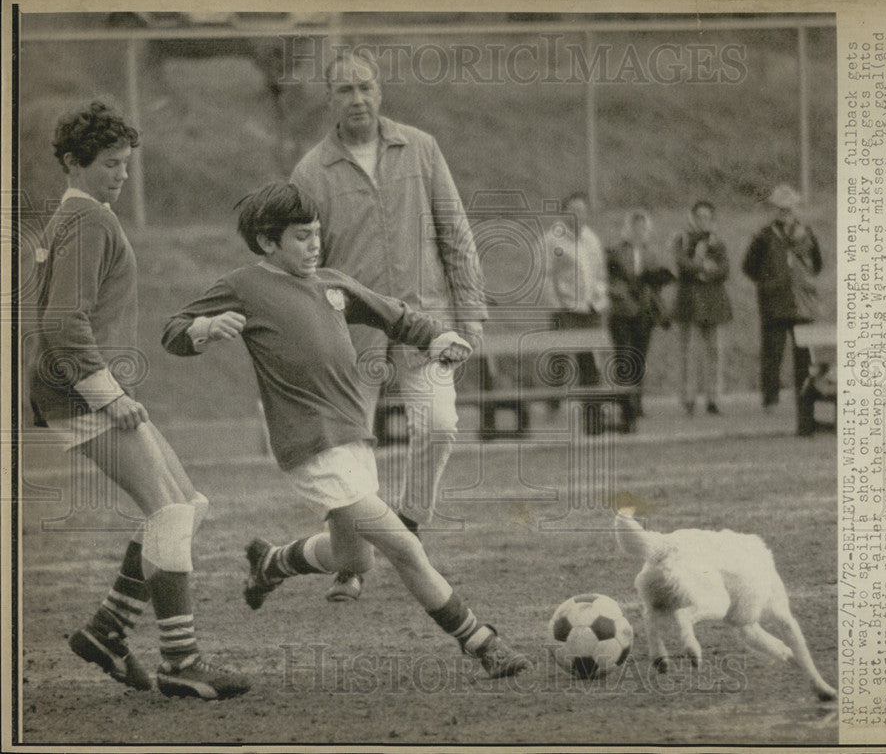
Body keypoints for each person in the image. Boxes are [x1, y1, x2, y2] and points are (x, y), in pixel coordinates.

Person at [162, 182, 531, 679]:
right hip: (311, 444)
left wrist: (437, 335)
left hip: (352, 437)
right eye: (300, 237)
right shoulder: (244, 286)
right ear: (268, 242)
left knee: (354, 558)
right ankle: (480, 641)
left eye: (316, 234)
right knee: (403, 546)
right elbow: (174, 330)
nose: (314, 244)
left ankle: (272, 562)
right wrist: (203, 330)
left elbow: (393, 314)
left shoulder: (331, 283)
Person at [29, 100, 250, 699]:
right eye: (109, 164)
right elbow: (60, 320)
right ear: (74, 164)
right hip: (79, 392)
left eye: (126, 163)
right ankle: (181, 660)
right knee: (170, 513)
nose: (122, 174)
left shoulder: (80, 216)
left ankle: (108, 629)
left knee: (187, 503)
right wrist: (104, 393)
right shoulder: (88, 220)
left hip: (80, 388)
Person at [290, 49, 487, 600]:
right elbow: (299, 260)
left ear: (381, 92)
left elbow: (455, 230)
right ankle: (351, 565)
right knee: (350, 453)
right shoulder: (311, 171)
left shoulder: (421, 149)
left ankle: (408, 524)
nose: (358, 99)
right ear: (330, 100)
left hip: (427, 324)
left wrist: (470, 313)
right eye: (345, 90)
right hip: (350, 334)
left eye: (366, 87)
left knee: (441, 425)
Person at [741, 184, 823, 410]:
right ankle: (770, 400)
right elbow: (749, 267)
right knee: (772, 354)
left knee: (804, 357)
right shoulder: (763, 236)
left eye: (788, 208)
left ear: (795, 209)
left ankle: (804, 398)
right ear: (774, 210)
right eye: (780, 209)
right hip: (773, 304)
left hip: (801, 303)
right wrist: (769, 282)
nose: (785, 213)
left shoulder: (807, 233)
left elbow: (817, 264)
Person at [543, 192, 609, 432]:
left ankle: (592, 415)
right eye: (573, 210)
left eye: (582, 210)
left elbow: (600, 273)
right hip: (566, 310)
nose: (578, 215)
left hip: (590, 310)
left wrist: (599, 298)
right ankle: (553, 406)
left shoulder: (591, 239)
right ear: (563, 212)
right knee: (559, 359)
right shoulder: (553, 239)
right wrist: (558, 305)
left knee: (590, 361)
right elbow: (546, 277)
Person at [605, 210, 674, 431]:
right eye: (635, 227)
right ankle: (625, 404)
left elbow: (654, 284)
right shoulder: (615, 252)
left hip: (643, 313)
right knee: (623, 358)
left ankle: (637, 401)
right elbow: (612, 281)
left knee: (639, 358)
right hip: (622, 313)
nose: (639, 232)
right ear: (628, 229)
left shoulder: (650, 253)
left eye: (643, 228)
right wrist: (626, 296)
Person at [672, 201, 733, 416]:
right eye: (699, 216)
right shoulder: (683, 239)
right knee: (688, 351)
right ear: (693, 218)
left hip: (713, 302)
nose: (703, 221)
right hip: (689, 302)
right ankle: (688, 399)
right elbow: (682, 264)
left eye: (707, 217)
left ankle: (713, 398)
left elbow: (725, 269)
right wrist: (701, 263)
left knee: (714, 351)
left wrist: (705, 270)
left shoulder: (718, 242)